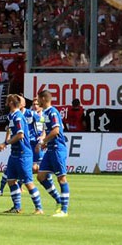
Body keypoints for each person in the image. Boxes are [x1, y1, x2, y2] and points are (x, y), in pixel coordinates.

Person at [0, 94, 44, 214]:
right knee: (11, 180)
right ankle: (17, 207)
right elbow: (11, 131)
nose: (6, 103)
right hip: (15, 153)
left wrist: (5, 143)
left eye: (7, 101)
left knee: (28, 182)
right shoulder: (11, 116)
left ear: (11, 103)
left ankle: (39, 208)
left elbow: (20, 135)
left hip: (23, 154)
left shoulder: (18, 117)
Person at [37, 89, 70, 217]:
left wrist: (44, 140)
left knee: (61, 178)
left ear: (44, 99)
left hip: (57, 149)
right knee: (40, 177)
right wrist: (43, 141)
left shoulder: (53, 112)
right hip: (50, 149)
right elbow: (46, 129)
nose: (38, 101)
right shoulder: (45, 113)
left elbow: (56, 130)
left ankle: (64, 210)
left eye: (39, 99)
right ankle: (59, 200)